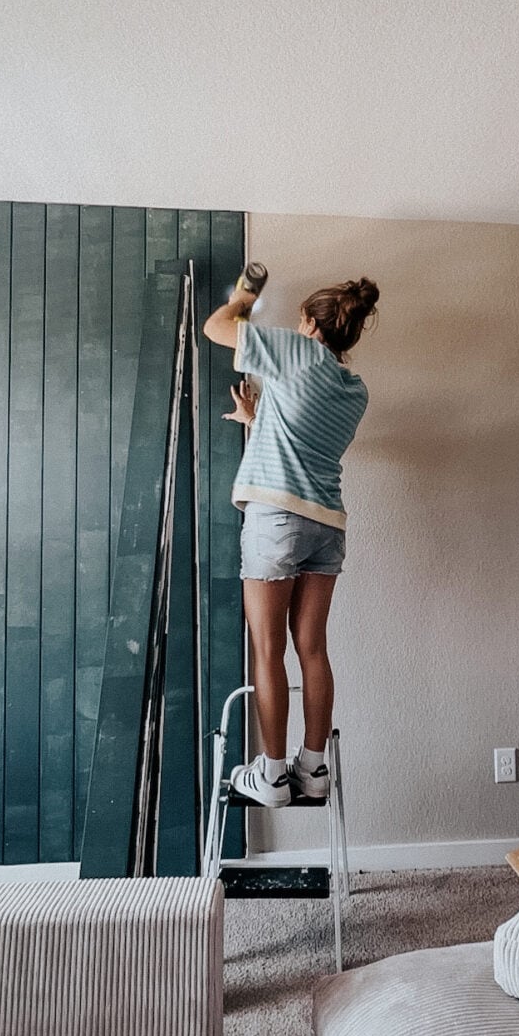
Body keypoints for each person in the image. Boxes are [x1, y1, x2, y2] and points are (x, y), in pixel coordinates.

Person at [203, 274, 379, 806]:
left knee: (267, 647)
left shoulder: (294, 350)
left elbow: (216, 328)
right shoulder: (354, 391)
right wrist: (258, 422)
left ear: (309, 322)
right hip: (327, 524)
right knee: (312, 649)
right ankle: (313, 768)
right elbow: (303, 440)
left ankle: (273, 776)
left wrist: (244, 299)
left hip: (275, 520)